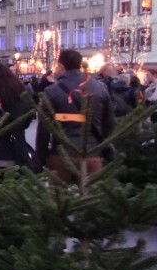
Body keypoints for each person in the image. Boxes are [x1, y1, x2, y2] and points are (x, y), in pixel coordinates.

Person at [35, 48, 116, 184]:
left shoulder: (52, 91)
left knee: (59, 200)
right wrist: (101, 148)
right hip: (92, 152)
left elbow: (44, 129)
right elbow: (108, 123)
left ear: (61, 66)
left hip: (61, 154)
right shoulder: (100, 88)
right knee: (91, 199)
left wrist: (41, 158)